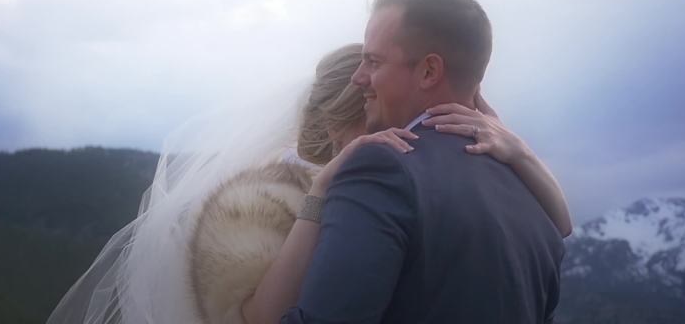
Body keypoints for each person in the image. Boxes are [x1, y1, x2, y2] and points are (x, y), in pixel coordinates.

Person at [190, 43, 571, 324]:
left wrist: (520, 152)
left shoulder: (396, 184)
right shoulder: (260, 208)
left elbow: (559, 230)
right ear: (335, 125)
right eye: (375, 114)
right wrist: (320, 194)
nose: (401, 137)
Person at [276, 0, 564, 324]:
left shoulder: (383, 167)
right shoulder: (531, 194)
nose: (359, 77)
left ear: (429, 71)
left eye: (374, 61)